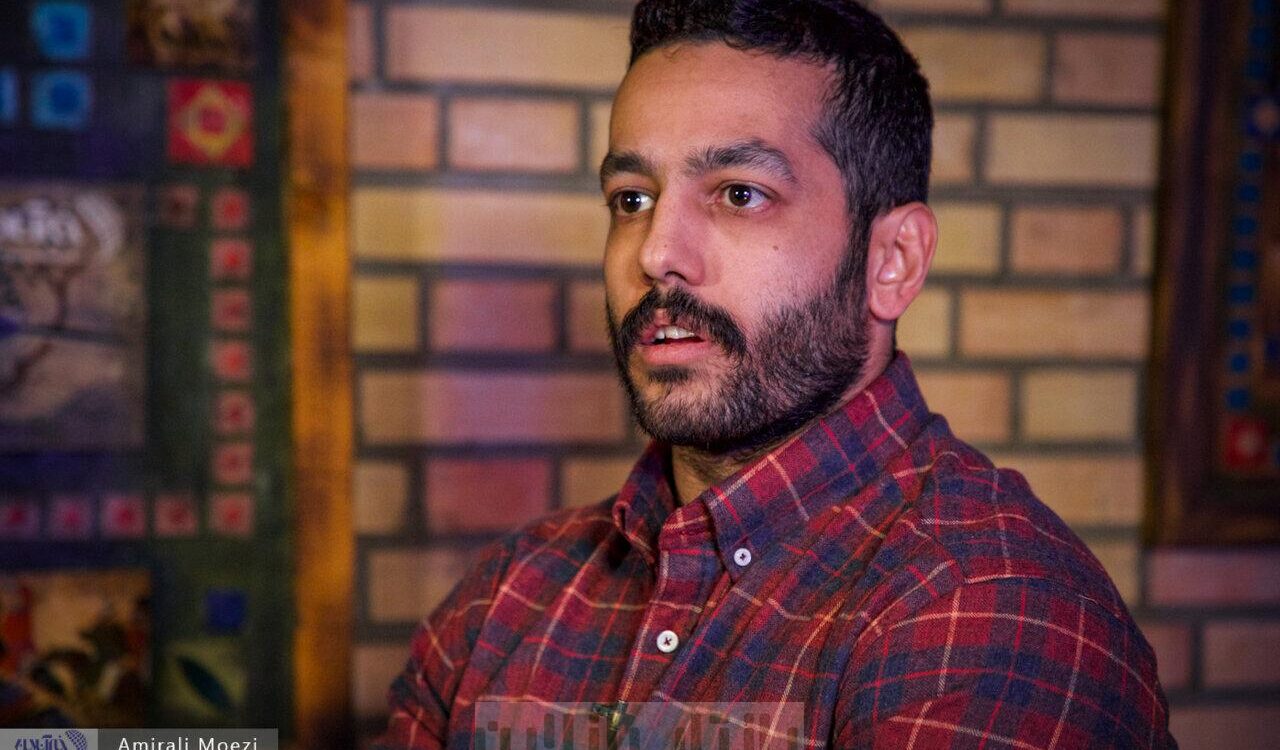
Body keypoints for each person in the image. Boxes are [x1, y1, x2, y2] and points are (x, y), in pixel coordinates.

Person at [375, 1, 1175, 747]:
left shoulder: (987, 610)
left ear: (892, 261)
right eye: (632, 199)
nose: (657, 253)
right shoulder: (507, 598)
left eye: (739, 193)